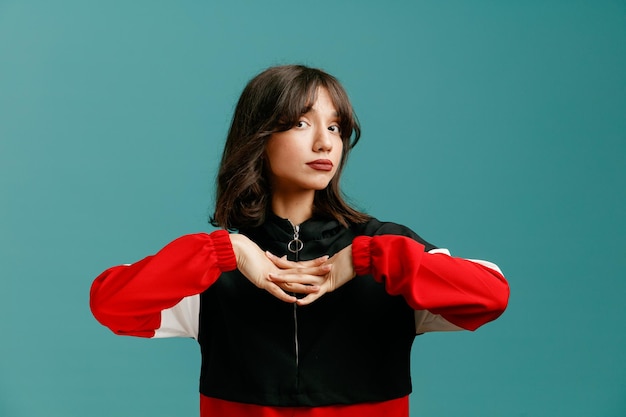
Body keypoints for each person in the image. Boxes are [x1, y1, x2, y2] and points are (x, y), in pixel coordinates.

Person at [90, 64, 510, 417]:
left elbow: (490, 296)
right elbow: (111, 304)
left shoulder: (386, 251)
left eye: (336, 127)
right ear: (258, 137)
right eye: (300, 123)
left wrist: (365, 257)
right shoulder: (215, 269)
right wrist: (227, 250)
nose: (325, 142)